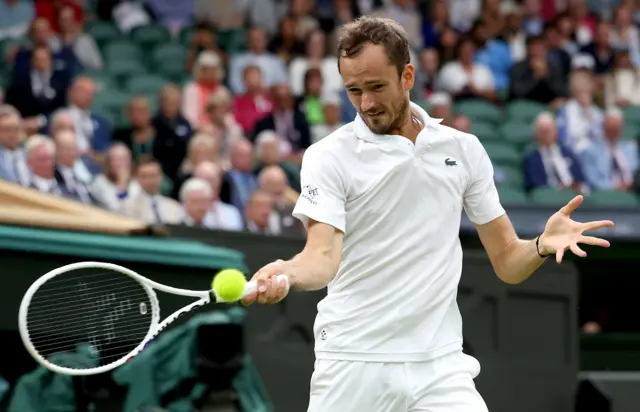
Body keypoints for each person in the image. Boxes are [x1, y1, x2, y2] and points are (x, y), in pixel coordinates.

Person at [242, 16, 613, 412]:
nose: (366, 103)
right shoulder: (326, 156)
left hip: (440, 366)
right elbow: (321, 257)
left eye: (376, 87)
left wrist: (540, 244)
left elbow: (507, 262)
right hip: (353, 362)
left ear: (407, 75)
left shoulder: (463, 149)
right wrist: (288, 271)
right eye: (353, 90)